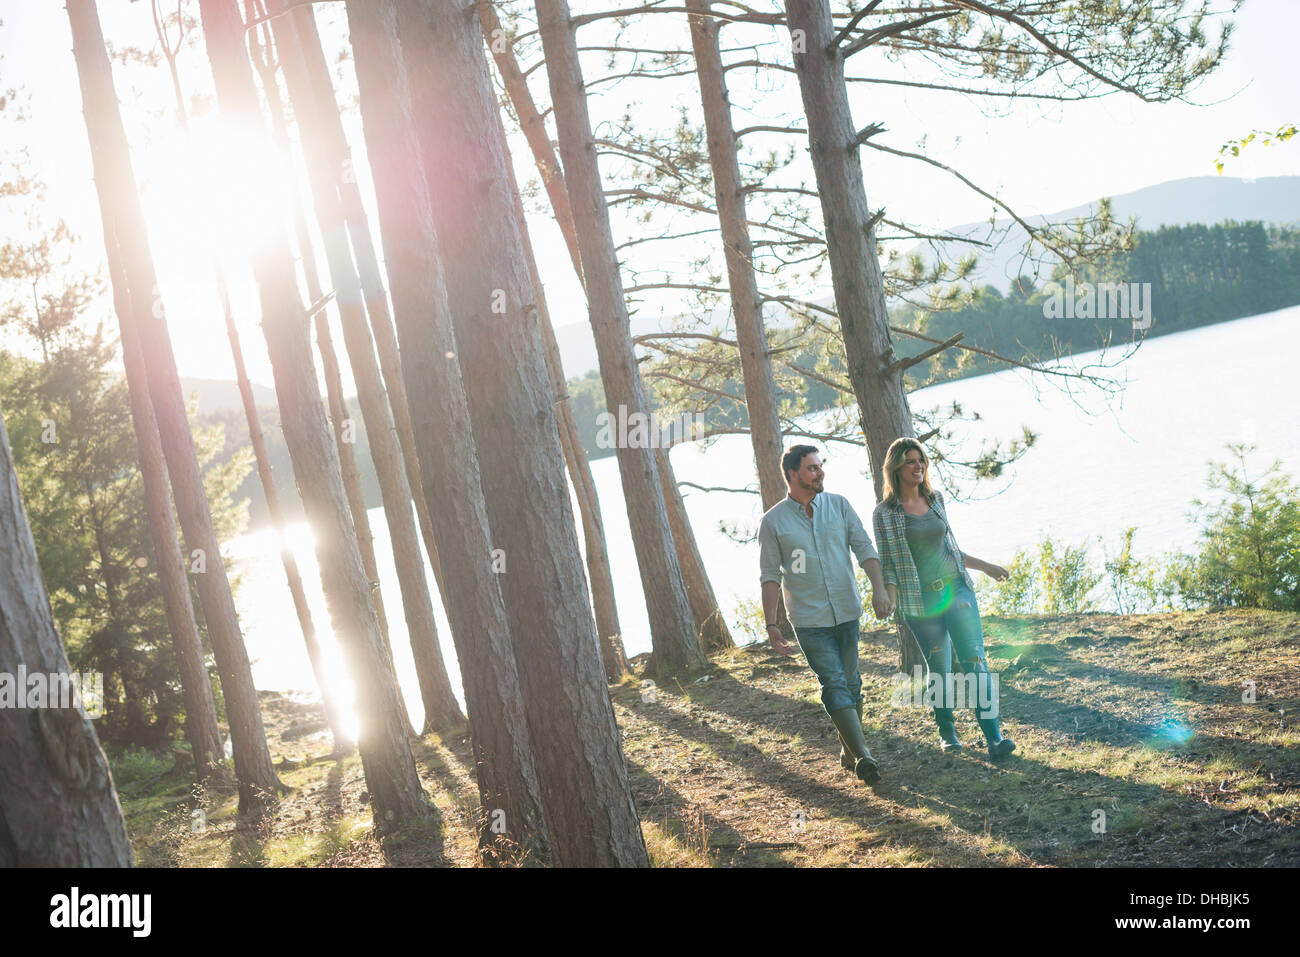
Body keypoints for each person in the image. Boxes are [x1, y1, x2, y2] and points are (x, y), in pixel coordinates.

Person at [871, 437, 1017, 758]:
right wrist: (889, 597)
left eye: (921, 459)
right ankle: (947, 734)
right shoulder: (884, 514)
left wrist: (988, 567)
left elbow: (952, 550)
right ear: (896, 468)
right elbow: (890, 565)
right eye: (910, 461)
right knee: (938, 668)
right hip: (920, 604)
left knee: (975, 662)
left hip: (958, 591)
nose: (918, 466)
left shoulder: (935, 500)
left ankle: (995, 738)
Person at [758, 445, 893, 784]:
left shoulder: (839, 505)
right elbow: (770, 575)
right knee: (833, 682)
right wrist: (771, 623)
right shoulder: (773, 522)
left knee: (852, 683)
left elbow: (864, 548)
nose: (819, 473)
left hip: (847, 610)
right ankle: (864, 756)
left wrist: (879, 589)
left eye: (820, 466)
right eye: (811, 468)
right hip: (808, 619)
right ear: (792, 474)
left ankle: (849, 749)